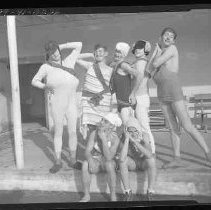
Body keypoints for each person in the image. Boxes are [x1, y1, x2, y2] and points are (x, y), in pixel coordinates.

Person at [146, 27, 211, 168]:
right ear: (160, 37)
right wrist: (155, 51)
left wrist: (157, 51)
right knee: (172, 128)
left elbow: (155, 64)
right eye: (166, 35)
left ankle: (208, 153)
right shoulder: (158, 52)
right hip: (162, 94)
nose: (169, 37)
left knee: (187, 125)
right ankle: (177, 158)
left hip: (174, 91)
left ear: (174, 40)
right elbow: (148, 70)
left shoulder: (172, 49)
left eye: (171, 36)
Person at [31, 40, 82, 173]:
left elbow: (79, 45)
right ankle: (58, 161)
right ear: (48, 55)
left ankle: (73, 159)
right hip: (57, 103)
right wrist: (45, 86)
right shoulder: (46, 67)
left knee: (72, 131)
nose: (54, 55)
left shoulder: (69, 61)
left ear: (59, 50)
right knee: (58, 131)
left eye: (55, 51)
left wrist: (62, 46)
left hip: (71, 102)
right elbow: (34, 81)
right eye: (51, 53)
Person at [79, 112, 122, 202]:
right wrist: (90, 161)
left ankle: (113, 196)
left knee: (109, 164)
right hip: (97, 160)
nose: (102, 122)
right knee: (85, 164)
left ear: (111, 126)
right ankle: (86, 195)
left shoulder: (115, 138)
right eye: (102, 119)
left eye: (105, 121)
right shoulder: (94, 133)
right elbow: (87, 151)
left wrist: (103, 139)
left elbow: (109, 157)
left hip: (110, 162)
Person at [76, 44, 113, 140]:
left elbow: (112, 87)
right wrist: (90, 54)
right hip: (89, 101)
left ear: (106, 54)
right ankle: (94, 150)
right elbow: (75, 58)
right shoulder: (90, 66)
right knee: (92, 128)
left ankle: (103, 149)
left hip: (104, 101)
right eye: (96, 51)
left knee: (103, 126)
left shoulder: (111, 70)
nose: (98, 53)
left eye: (100, 51)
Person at [118, 116, 156, 201]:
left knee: (152, 160)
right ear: (126, 131)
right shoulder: (123, 137)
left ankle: (150, 191)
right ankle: (127, 191)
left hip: (143, 162)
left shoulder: (144, 136)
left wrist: (135, 142)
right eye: (129, 131)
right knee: (122, 162)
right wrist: (127, 140)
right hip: (132, 163)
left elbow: (149, 155)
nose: (132, 134)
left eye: (134, 131)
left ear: (138, 130)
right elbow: (121, 158)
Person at [129, 40, 156, 154]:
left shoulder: (140, 62)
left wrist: (133, 94)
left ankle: (151, 152)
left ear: (146, 50)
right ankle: (146, 151)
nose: (138, 50)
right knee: (141, 126)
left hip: (139, 97)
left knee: (144, 127)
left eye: (141, 48)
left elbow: (139, 79)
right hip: (141, 97)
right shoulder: (141, 62)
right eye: (136, 48)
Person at [110, 42, 138, 125]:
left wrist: (133, 93)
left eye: (120, 52)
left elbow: (138, 75)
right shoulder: (114, 65)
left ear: (124, 55)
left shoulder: (123, 65)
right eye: (116, 51)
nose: (117, 54)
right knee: (119, 128)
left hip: (125, 103)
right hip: (118, 103)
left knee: (127, 128)